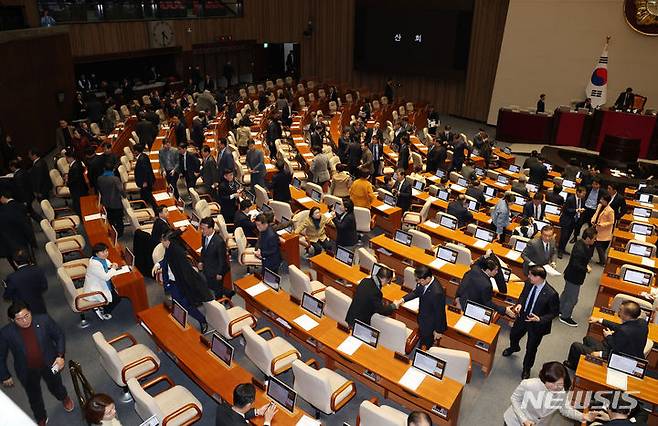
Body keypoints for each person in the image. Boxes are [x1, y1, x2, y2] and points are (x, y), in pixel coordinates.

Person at [0, 302, 74, 426]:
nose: (25, 321)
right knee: (34, 395)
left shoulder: (44, 320)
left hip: (51, 363)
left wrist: (60, 356)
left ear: (30, 312)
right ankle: (41, 418)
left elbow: (59, 335)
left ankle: (64, 397)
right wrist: (4, 375)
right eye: (19, 319)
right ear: (12, 320)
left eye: (27, 316)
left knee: (56, 384)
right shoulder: (6, 333)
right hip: (26, 370)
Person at [502, 266, 560, 379]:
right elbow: (523, 295)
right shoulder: (529, 283)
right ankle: (514, 347)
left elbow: (554, 312)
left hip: (537, 324)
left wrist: (540, 319)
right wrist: (519, 304)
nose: (528, 277)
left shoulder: (551, 294)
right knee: (514, 334)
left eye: (531, 275)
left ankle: (526, 368)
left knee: (531, 348)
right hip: (523, 316)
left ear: (539, 278)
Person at [503, 361, 600, 426]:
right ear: (544, 378)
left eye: (559, 384)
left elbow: (565, 409)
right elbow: (514, 399)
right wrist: (523, 420)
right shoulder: (528, 384)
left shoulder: (562, 391)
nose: (555, 387)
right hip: (515, 421)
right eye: (552, 383)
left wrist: (583, 416)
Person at [565, 300, 648, 370]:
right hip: (629, 351)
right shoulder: (642, 323)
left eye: (620, 310)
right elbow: (620, 327)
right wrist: (600, 320)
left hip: (619, 359)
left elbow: (617, 350)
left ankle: (573, 365)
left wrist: (608, 338)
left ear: (626, 315)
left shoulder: (624, 331)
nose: (618, 311)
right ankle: (585, 363)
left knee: (575, 346)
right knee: (587, 339)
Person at [158, 231, 211, 332]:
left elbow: (184, 271)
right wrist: (159, 264)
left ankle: (202, 320)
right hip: (172, 282)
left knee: (185, 304)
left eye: (162, 241)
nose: (162, 243)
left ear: (166, 240)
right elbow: (166, 259)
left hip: (179, 282)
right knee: (178, 304)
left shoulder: (177, 252)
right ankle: (180, 320)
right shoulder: (169, 248)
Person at [393, 266, 447, 349]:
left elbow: (440, 313)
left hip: (430, 323)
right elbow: (416, 292)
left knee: (426, 343)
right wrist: (402, 300)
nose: (418, 282)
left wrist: (439, 331)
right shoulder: (424, 281)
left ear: (428, 278)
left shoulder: (437, 293)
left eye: (419, 280)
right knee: (422, 336)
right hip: (422, 317)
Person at [559, 227, 597, 327]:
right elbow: (576, 264)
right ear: (588, 238)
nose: (595, 240)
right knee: (573, 299)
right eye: (594, 238)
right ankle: (565, 316)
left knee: (566, 294)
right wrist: (586, 268)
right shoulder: (580, 249)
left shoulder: (581, 243)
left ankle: (559, 309)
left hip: (571, 275)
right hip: (574, 277)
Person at [82, 243, 123, 320]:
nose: (106, 253)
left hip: (101, 283)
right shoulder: (95, 264)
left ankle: (102, 306)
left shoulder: (100, 259)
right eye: (103, 252)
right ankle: (104, 311)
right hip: (95, 289)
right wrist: (113, 268)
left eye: (107, 251)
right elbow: (106, 277)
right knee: (116, 299)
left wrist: (112, 265)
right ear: (96, 253)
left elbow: (108, 264)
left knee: (115, 290)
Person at [3, 249, 48, 315]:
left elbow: (7, 296)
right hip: (39, 304)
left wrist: (6, 287)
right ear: (28, 259)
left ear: (14, 262)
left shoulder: (12, 278)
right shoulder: (38, 269)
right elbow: (44, 287)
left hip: (23, 309)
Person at [199, 217, 232, 299]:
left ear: (211, 228)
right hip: (208, 266)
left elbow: (222, 259)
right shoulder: (204, 236)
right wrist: (201, 261)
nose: (202, 231)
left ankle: (220, 301)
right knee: (211, 285)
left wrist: (220, 273)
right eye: (201, 228)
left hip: (217, 269)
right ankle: (228, 293)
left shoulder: (219, 242)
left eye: (203, 229)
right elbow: (204, 250)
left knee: (217, 290)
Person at [0, 191, 37, 264]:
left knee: (12, 258)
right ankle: (31, 264)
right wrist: (31, 239)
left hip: (5, 242)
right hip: (18, 239)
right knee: (25, 256)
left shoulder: (6, 209)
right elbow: (22, 224)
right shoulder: (9, 210)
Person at [97, 160, 125, 237]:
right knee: (119, 220)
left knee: (110, 220)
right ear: (113, 169)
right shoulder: (115, 179)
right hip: (116, 203)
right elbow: (121, 190)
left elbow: (99, 190)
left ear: (104, 169)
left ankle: (112, 233)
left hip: (106, 202)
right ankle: (119, 234)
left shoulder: (99, 178)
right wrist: (125, 196)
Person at [558, 186, 586, 258]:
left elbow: (581, 208)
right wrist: (576, 210)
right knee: (564, 236)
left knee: (568, 236)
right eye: (583, 193)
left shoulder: (582, 200)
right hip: (567, 220)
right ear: (577, 192)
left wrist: (581, 211)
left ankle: (563, 249)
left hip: (574, 221)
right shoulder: (570, 199)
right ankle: (560, 251)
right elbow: (566, 210)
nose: (584, 195)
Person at [591, 193, 614, 265]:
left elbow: (611, 222)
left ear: (606, 201)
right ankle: (590, 256)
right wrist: (593, 219)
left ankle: (603, 262)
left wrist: (602, 225)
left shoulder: (610, 210)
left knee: (598, 246)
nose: (600, 200)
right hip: (596, 227)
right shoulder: (600, 206)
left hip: (603, 230)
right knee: (592, 242)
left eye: (602, 200)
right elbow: (596, 213)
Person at [65, 149, 89, 216]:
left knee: (79, 206)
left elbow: (74, 181)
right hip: (81, 187)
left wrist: (67, 182)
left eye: (66, 158)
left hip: (77, 190)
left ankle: (81, 218)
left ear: (70, 158)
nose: (66, 159)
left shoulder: (74, 167)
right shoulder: (78, 162)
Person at [133, 143, 156, 209]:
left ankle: (156, 209)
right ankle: (143, 206)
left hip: (145, 182)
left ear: (136, 151)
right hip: (145, 181)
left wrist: (145, 182)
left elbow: (146, 171)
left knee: (149, 197)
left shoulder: (142, 159)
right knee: (143, 194)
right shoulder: (144, 155)